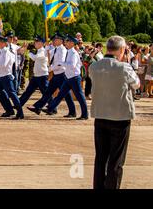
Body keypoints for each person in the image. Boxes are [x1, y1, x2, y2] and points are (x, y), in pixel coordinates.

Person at [89, 36, 140, 189]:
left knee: (101, 158)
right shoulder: (124, 67)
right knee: (116, 160)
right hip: (120, 117)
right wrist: (126, 62)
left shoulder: (94, 67)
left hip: (100, 115)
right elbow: (136, 84)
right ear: (122, 50)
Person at [27, 32, 76, 116]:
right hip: (56, 75)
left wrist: (51, 69)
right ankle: (38, 107)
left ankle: (72, 112)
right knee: (48, 92)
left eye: (55, 40)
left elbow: (60, 63)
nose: (53, 41)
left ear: (60, 41)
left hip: (62, 75)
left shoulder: (63, 50)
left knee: (66, 95)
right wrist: (47, 47)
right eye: (53, 40)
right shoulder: (55, 49)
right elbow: (47, 55)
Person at [44, 35, 89, 120]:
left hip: (74, 78)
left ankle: (85, 114)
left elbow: (72, 65)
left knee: (79, 96)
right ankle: (51, 108)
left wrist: (62, 63)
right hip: (69, 78)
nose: (66, 43)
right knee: (60, 95)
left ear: (72, 43)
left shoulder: (73, 53)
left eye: (67, 41)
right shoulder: (69, 52)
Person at [19, 35, 49, 107]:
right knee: (28, 91)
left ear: (41, 43)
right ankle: (19, 104)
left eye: (37, 42)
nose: (35, 43)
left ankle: (52, 108)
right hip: (36, 76)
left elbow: (35, 58)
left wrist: (28, 52)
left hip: (42, 76)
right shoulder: (39, 51)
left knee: (46, 93)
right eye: (35, 41)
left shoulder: (43, 51)